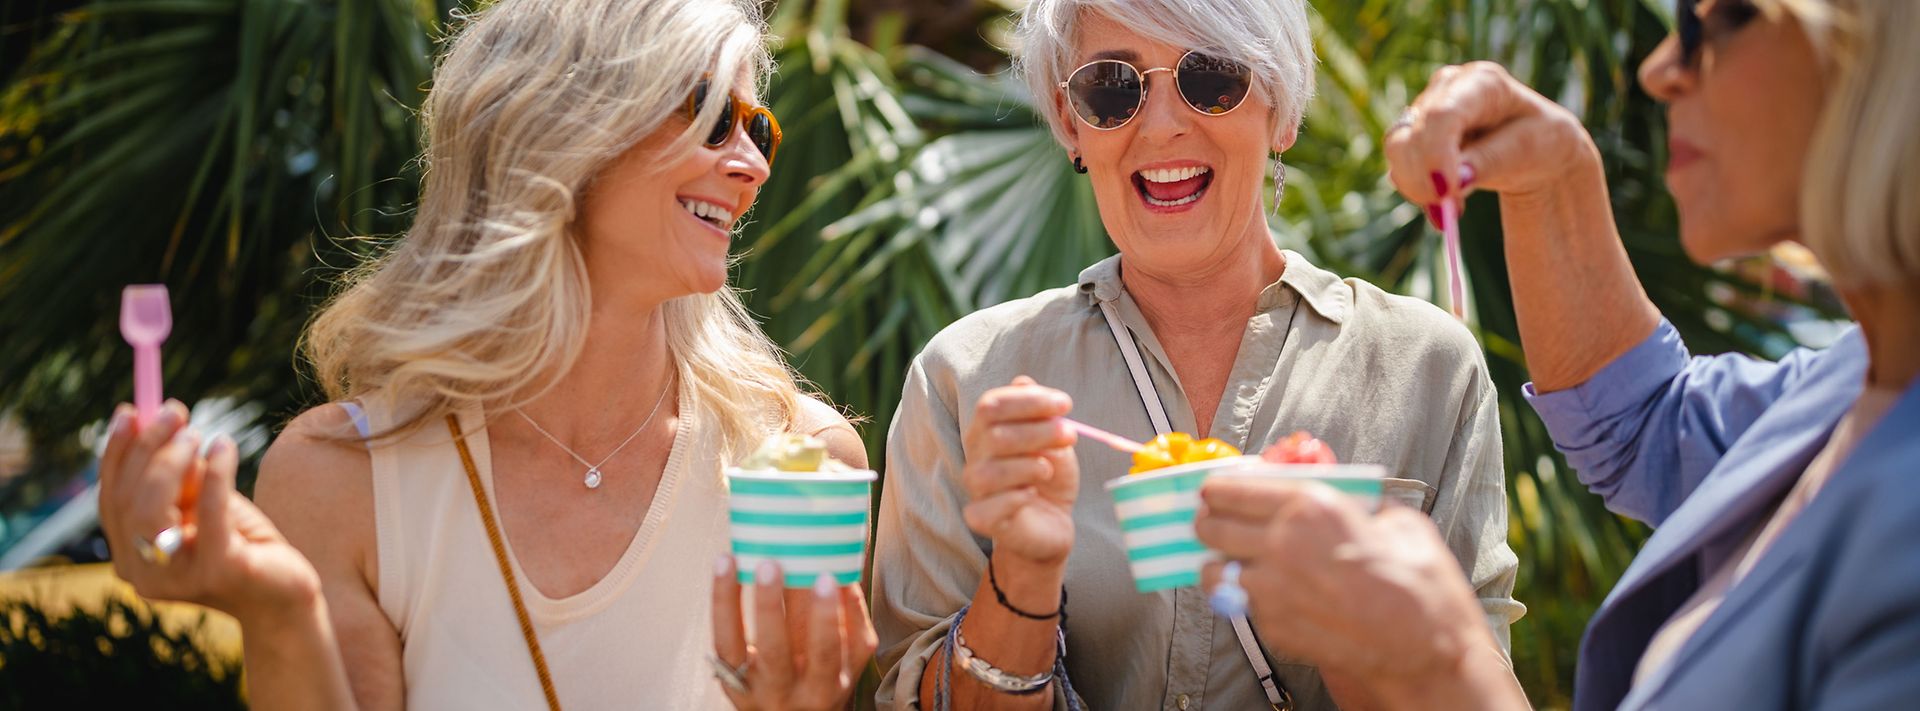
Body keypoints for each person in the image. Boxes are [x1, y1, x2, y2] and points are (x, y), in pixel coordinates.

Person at [93, 0, 877, 708]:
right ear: (562, 130)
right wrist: (279, 611)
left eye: (758, 127)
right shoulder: (342, 478)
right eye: (710, 114)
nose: (754, 162)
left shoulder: (803, 466)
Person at [1195, 0, 1920, 708]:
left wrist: (1439, 665)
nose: (1661, 69)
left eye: (1722, 18)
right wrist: (1553, 175)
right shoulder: (1863, 382)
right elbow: (1649, 425)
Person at [869, 0, 1523, 707]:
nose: (1161, 123)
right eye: (1112, 86)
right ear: (1069, 123)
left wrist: (1359, 615)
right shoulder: (965, 379)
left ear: (1283, 108)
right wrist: (1022, 575)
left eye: (1210, 78)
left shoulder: (1427, 368)